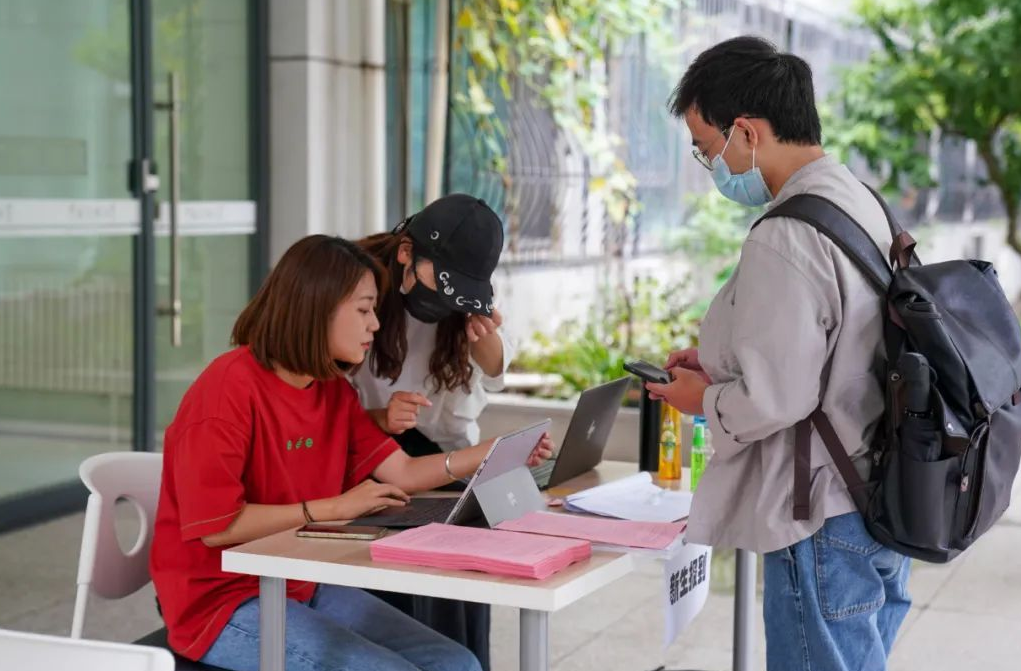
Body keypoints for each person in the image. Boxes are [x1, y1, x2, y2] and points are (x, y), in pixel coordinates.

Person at [149, 235, 551, 671]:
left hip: (297, 583)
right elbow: (219, 527)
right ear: (316, 308)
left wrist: (492, 452)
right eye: (363, 310)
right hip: (219, 606)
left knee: (457, 663)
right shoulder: (226, 391)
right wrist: (335, 507)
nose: (375, 325)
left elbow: (402, 472)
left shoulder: (331, 390)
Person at [647, 36, 911, 671]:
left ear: (746, 131)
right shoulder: (858, 201)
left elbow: (780, 397)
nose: (710, 164)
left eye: (707, 148)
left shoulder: (787, 232)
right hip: (877, 489)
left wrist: (701, 398)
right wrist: (725, 366)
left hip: (818, 514)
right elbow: (839, 346)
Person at [352, 194, 529, 670]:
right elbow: (321, 405)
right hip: (374, 464)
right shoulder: (357, 283)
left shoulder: (465, 297)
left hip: (449, 464)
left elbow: (496, 369)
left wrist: (485, 336)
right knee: (402, 597)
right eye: (442, 285)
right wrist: (377, 420)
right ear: (406, 252)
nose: (447, 301)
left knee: (465, 577)